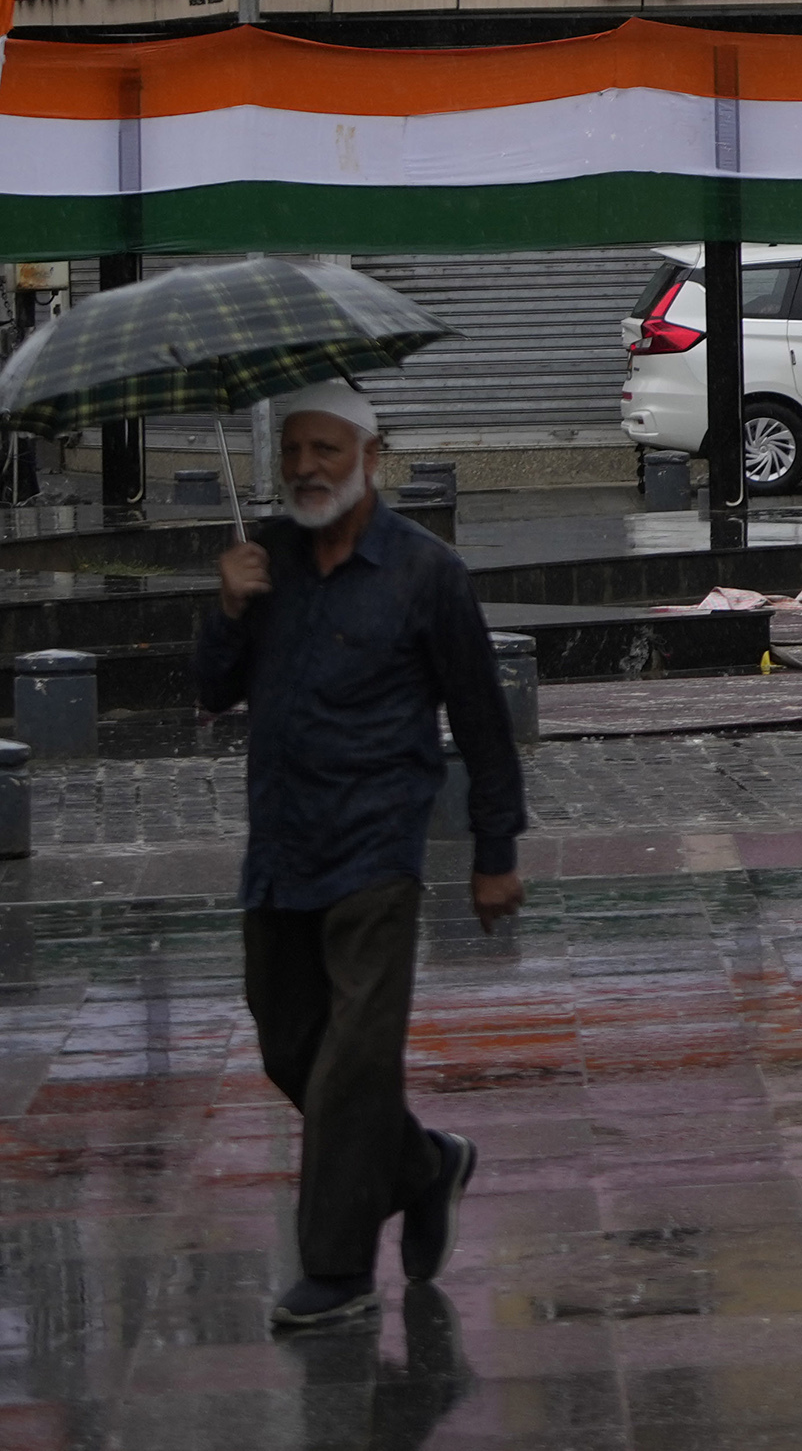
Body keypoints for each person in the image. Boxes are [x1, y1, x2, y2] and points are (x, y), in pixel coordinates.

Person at [198, 381, 522, 1335]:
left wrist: (494, 850)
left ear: (370, 456)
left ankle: (337, 1272)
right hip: (280, 846)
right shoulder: (265, 559)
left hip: (378, 848)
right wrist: (224, 606)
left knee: (351, 1064)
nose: (306, 467)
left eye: (327, 449)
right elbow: (213, 692)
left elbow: (482, 718)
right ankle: (425, 1166)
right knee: (287, 1043)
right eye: (295, 449)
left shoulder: (427, 572)